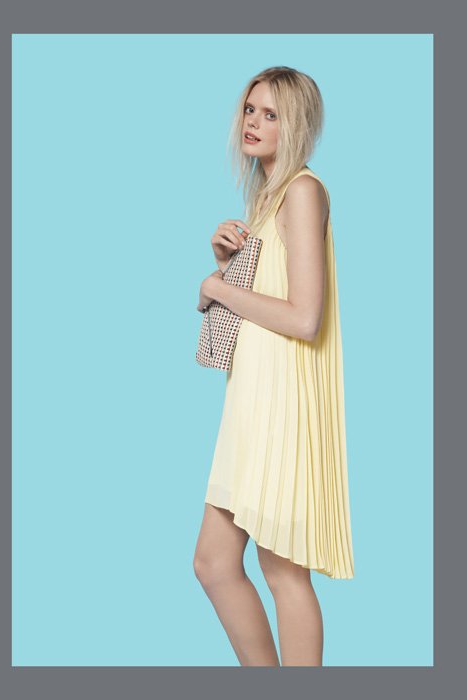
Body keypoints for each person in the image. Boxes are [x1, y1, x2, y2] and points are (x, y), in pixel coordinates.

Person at [194, 66, 355, 667]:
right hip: (250, 399)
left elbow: (305, 317)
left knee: (284, 570)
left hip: (282, 403)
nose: (254, 122)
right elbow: (258, 305)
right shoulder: (265, 200)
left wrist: (217, 287)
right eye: (250, 109)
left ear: (299, 126)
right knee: (214, 563)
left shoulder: (302, 191)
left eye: (272, 114)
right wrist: (226, 266)